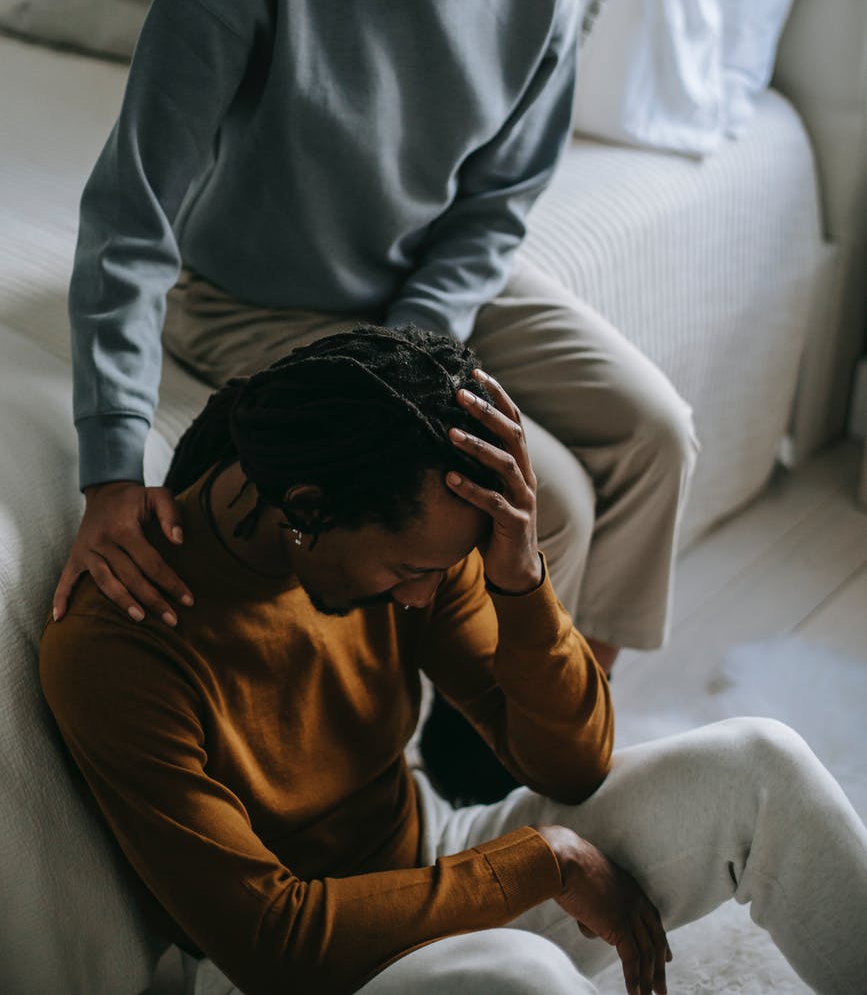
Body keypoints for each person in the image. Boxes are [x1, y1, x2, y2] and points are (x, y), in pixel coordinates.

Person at [56, 0, 697, 689]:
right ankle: (470, 759)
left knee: (659, 434)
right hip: (257, 299)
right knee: (551, 498)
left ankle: (575, 715)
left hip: (430, 280)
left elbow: (496, 202)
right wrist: (107, 468)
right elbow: (130, 215)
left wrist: (419, 345)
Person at [41, 326, 867, 995]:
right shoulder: (120, 645)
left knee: (761, 763)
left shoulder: (411, 537)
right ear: (305, 511)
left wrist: (521, 580)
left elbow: (574, 766)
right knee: (521, 977)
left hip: (432, 855)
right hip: (288, 967)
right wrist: (540, 862)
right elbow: (270, 943)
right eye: (407, 573)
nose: (419, 599)